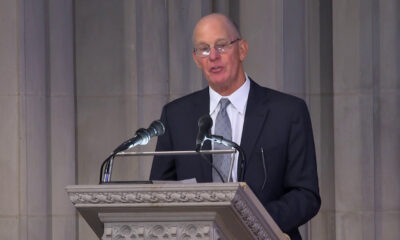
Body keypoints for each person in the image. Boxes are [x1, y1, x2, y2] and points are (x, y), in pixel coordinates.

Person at [150, 13, 320, 240]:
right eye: (204, 48)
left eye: (221, 46)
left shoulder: (288, 112)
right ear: (195, 58)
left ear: (242, 50)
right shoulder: (175, 115)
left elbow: (305, 194)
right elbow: (160, 191)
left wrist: (251, 222)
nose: (213, 56)